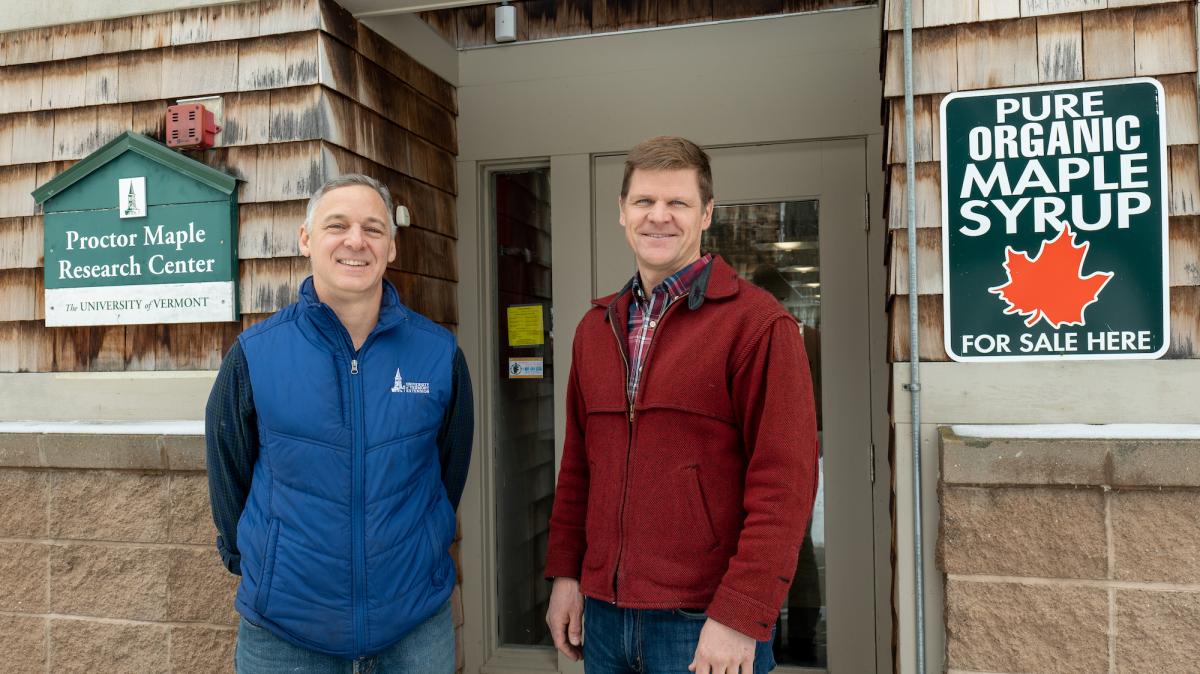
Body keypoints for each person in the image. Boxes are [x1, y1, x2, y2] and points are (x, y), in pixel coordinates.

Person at [543, 137, 819, 674]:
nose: (659, 217)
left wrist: (742, 614)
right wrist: (567, 575)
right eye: (644, 201)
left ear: (707, 214)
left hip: (702, 622)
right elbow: (578, 468)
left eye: (679, 203)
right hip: (603, 617)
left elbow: (785, 484)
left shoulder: (757, 325)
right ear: (622, 211)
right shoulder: (594, 329)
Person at [205, 174, 473, 673]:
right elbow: (228, 474)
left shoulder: (437, 354)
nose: (356, 241)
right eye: (337, 225)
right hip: (285, 636)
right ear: (306, 239)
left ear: (392, 247)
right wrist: (258, 566)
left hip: (412, 631)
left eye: (374, 228)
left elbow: (447, 475)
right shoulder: (255, 355)